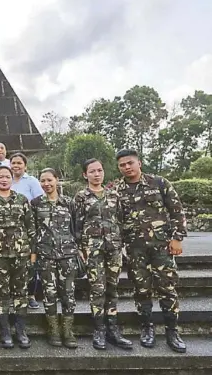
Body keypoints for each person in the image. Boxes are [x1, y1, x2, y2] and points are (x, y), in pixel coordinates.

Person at [115, 149, 187, 353]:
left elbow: (177, 211)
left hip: (162, 247)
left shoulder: (159, 183)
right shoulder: (116, 190)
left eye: (130, 163)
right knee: (141, 290)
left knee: (168, 288)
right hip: (135, 250)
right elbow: (116, 221)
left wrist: (177, 238)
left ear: (139, 163)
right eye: (122, 165)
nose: (127, 167)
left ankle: (173, 331)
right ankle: (147, 328)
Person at [73, 159, 132, 350]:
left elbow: (121, 221)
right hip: (93, 250)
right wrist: (81, 249)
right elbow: (77, 225)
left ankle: (113, 330)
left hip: (113, 248)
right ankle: (98, 330)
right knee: (97, 290)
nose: (97, 174)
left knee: (113, 289)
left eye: (99, 170)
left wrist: (121, 244)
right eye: (92, 171)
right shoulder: (81, 197)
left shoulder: (114, 195)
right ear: (85, 175)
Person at [0, 166, 36, 349]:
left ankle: (21, 331)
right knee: (1, 293)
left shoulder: (22, 200)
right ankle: (5, 332)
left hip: (21, 253)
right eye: (0, 177)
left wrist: (32, 251)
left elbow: (30, 226)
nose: (4, 180)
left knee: (21, 292)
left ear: (12, 179)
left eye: (7, 177)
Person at [30, 168, 78, 348]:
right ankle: (54, 331)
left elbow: (76, 227)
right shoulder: (35, 203)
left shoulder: (68, 203)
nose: (46, 184)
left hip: (67, 255)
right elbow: (32, 231)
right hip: (46, 255)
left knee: (68, 294)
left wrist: (78, 248)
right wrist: (34, 253)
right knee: (49, 294)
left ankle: (67, 331)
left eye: (49, 180)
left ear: (56, 180)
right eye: (42, 181)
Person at [9, 152, 44, 310]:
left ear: (25, 166)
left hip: (27, 227)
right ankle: (14, 295)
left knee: (30, 264)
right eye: (13, 163)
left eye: (19, 163)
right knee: (11, 264)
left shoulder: (31, 181)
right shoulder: (6, 180)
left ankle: (30, 295)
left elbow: (39, 202)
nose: (16, 166)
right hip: (8, 229)